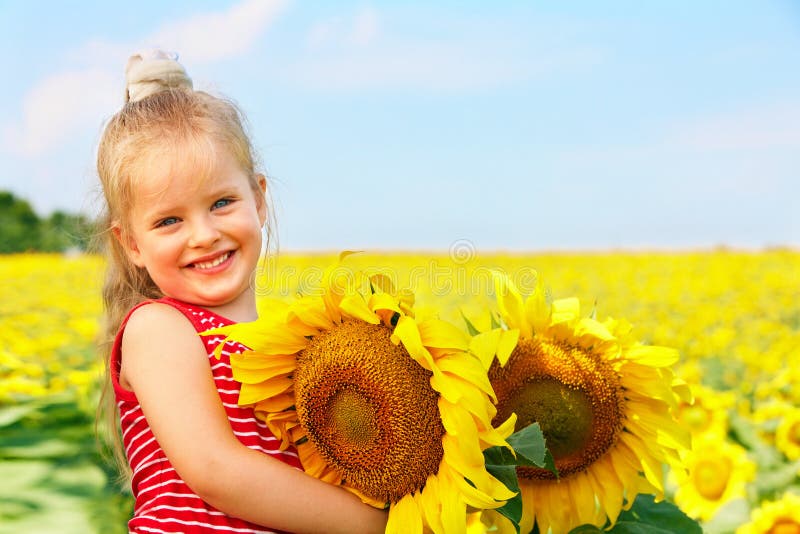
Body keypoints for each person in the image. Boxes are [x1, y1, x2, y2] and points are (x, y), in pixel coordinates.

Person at [95, 50, 388, 534]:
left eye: (221, 203)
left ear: (259, 199)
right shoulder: (157, 328)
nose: (204, 234)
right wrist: (382, 525)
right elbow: (216, 472)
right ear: (132, 244)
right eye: (169, 220)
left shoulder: (288, 349)